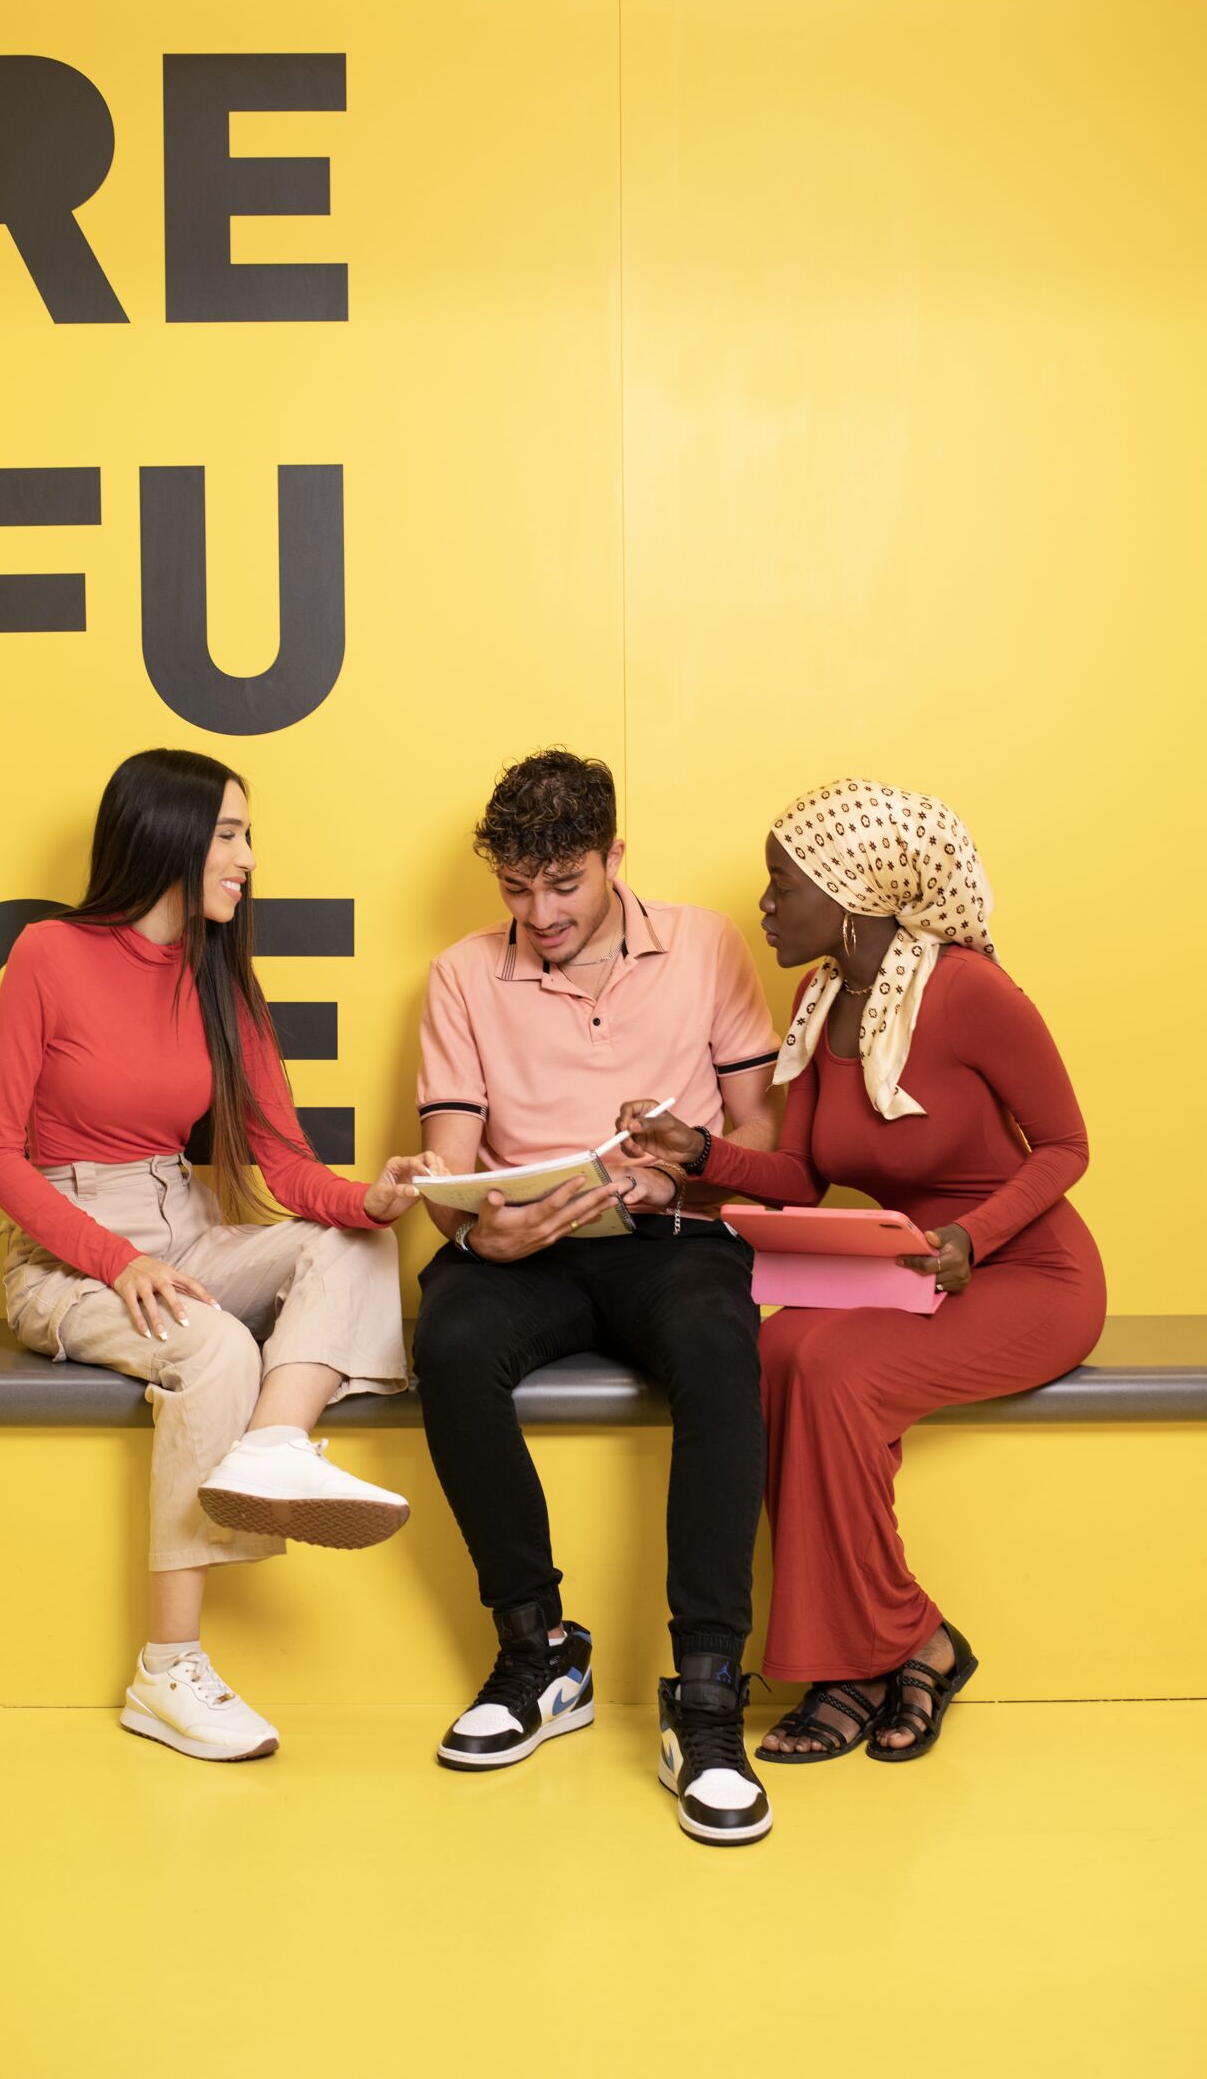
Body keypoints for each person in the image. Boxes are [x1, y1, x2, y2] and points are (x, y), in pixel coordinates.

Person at [0, 749, 442, 1764]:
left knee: (350, 1243)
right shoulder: (48, 955)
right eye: (230, 835)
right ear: (170, 837)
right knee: (216, 1346)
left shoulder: (223, 983)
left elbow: (284, 1163)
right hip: (63, 1251)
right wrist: (109, 1260)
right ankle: (167, 1670)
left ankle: (271, 1451)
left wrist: (373, 1196)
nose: (247, 858)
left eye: (245, 836)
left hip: (181, 1222)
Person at [618, 777, 1106, 1764]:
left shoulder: (968, 992)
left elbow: (1061, 1146)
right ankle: (894, 1646)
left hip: (1021, 1269)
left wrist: (974, 1235)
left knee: (836, 1368)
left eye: (777, 887)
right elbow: (802, 1176)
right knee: (783, 1346)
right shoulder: (818, 998)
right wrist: (697, 1150)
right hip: (903, 1266)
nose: (763, 908)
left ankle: (863, 1658)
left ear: (846, 895)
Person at [412, 748, 783, 1846]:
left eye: (562, 884)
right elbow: (445, 1161)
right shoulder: (461, 975)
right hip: (525, 1244)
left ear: (613, 856)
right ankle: (538, 1652)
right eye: (516, 889)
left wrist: (680, 1166)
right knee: (449, 1338)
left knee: (722, 1346)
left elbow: (756, 1132)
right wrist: (482, 1226)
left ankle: (707, 1694)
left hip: (671, 1237)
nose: (539, 912)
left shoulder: (706, 946)